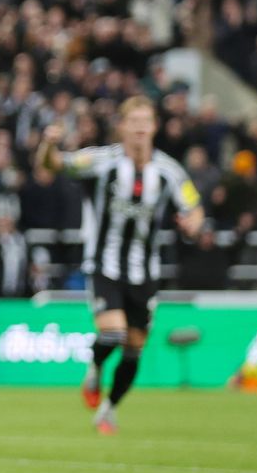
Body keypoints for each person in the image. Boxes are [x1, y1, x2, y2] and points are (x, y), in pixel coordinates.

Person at [37, 96, 204, 434]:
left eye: (146, 121)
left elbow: (194, 205)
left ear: (154, 126)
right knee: (112, 333)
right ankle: (95, 369)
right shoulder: (102, 161)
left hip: (144, 272)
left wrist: (193, 224)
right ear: (123, 127)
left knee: (134, 349)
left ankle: (109, 409)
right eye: (134, 121)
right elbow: (54, 165)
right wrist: (47, 144)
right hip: (105, 266)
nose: (141, 127)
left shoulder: (169, 171)